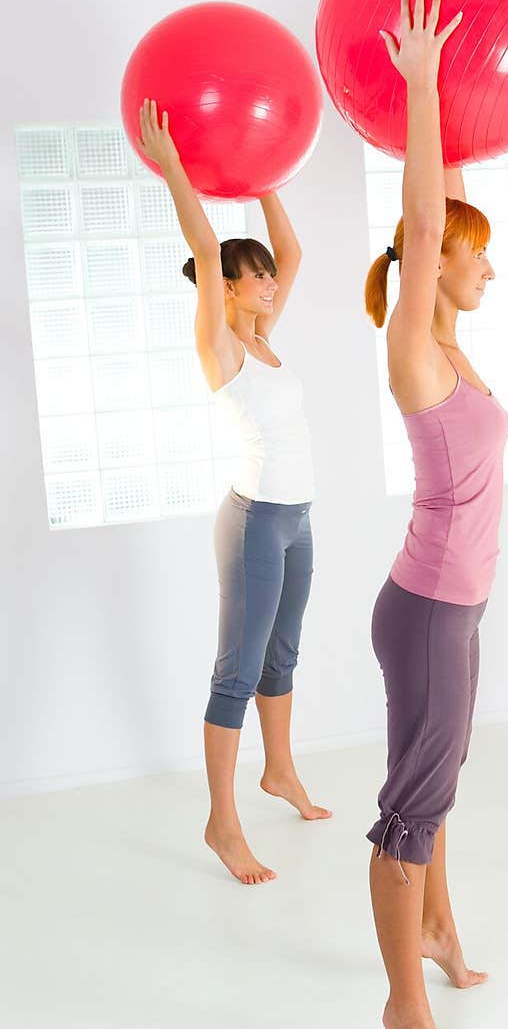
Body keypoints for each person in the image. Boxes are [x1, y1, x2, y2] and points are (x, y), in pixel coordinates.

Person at [363, 0, 508, 1029]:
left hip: (456, 607)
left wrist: (455, 113)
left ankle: (440, 931)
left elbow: (446, 208)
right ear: (440, 265)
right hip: (423, 614)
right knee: (409, 810)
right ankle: (404, 1011)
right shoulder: (414, 343)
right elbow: (424, 224)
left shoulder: (453, 345)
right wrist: (416, 86)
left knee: (442, 775)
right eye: (477, 254)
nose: (486, 266)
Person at [138, 100, 330, 886]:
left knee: (283, 655)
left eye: (264, 277)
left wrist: (262, 177)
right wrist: (177, 164)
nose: (269, 280)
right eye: (254, 278)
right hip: (253, 524)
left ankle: (278, 769)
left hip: (299, 520)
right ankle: (221, 822)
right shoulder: (221, 344)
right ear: (228, 288)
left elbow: (293, 247)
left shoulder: (265, 338)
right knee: (238, 670)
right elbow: (207, 243)